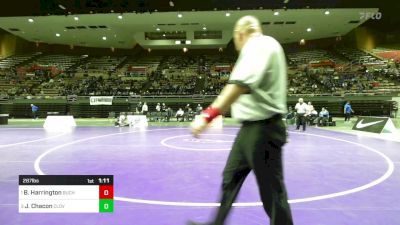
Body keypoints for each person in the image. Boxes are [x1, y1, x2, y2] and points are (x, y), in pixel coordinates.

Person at [189, 15, 293, 225]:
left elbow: (239, 84)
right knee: (230, 178)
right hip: (250, 130)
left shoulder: (259, 44)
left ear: (239, 34)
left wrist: (208, 115)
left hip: (263, 129)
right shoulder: (262, 47)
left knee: (272, 194)